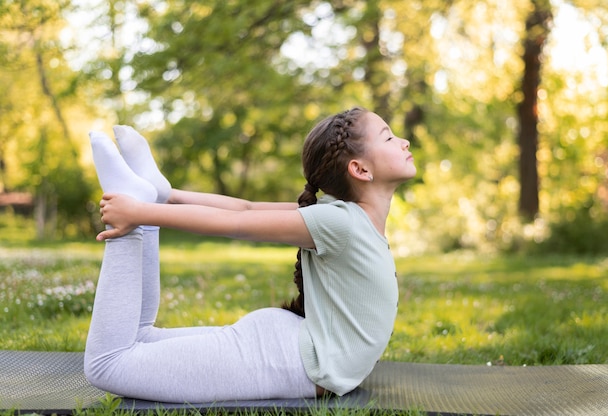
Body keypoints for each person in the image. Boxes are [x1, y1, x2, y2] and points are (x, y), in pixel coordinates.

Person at [84, 107, 416, 403]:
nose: (404, 142)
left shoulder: (343, 219)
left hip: (288, 346)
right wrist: (142, 211)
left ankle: (144, 197)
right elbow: (239, 217)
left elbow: (245, 210)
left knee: (140, 339)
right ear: (360, 170)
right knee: (108, 364)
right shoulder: (343, 221)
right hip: (287, 357)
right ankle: (137, 199)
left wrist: (159, 201)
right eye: (388, 137)